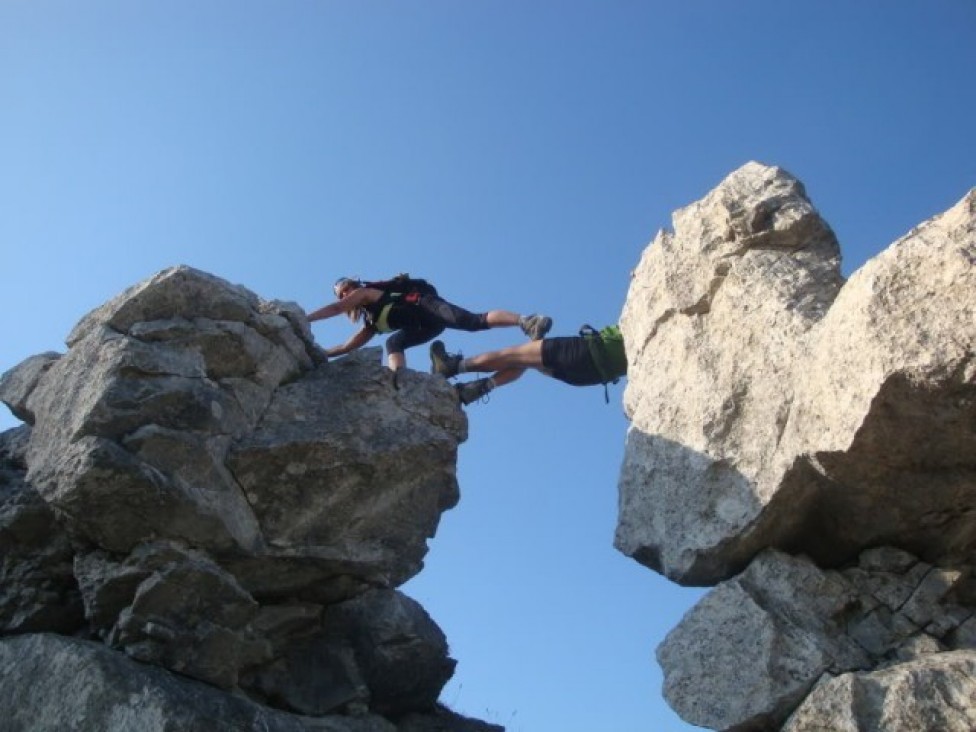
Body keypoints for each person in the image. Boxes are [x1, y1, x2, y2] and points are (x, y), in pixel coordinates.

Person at [306, 275, 552, 380]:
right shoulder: (372, 322)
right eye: (343, 294)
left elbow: (336, 309)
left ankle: (526, 321)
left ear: (353, 285)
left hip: (427, 306)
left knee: (473, 322)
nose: (347, 294)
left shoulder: (366, 293)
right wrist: (321, 354)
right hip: (426, 328)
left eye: (347, 289)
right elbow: (349, 346)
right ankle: (400, 380)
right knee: (393, 342)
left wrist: (305, 319)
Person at [429, 324, 627, 405]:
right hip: (591, 376)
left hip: (586, 352)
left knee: (512, 355)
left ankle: (453, 366)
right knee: (526, 361)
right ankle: (479, 388)